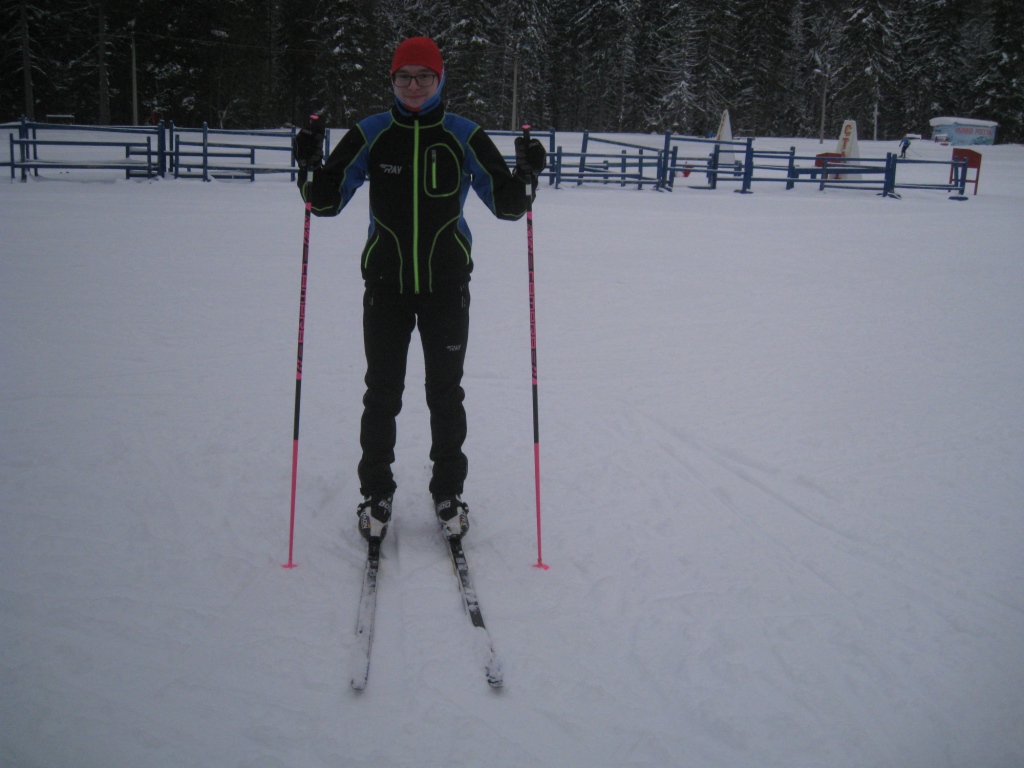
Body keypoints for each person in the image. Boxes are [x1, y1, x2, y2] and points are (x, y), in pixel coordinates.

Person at [292, 36, 546, 543]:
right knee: (382, 393)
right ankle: (376, 493)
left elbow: (508, 206)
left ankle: (448, 492)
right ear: (392, 80)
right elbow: (324, 203)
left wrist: (527, 174)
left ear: (440, 78)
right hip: (385, 286)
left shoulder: (463, 134)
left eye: (424, 76)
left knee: (445, 394)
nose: (414, 86)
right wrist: (308, 165)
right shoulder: (371, 133)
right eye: (404, 76)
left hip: (446, 287)